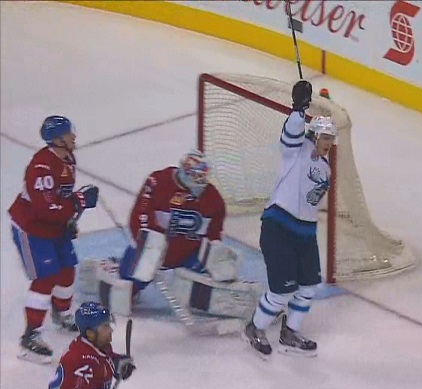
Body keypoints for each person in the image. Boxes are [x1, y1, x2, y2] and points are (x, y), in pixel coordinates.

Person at [80, 150, 260, 320]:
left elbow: (214, 234)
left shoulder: (213, 199)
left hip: (189, 253)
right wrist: (151, 246)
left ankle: (235, 297)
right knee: (124, 294)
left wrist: (216, 255)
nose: (201, 182)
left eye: (203, 177)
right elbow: (139, 217)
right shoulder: (158, 182)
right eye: (196, 176)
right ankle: (110, 269)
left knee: (208, 284)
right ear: (185, 173)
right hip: (153, 252)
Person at [243, 80, 337, 357]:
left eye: (331, 139)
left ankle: (290, 331)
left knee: (309, 286)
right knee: (281, 291)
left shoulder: (326, 167)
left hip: (305, 233)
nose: (329, 144)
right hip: (279, 226)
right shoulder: (295, 151)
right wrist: (298, 109)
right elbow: (290, 135)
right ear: (314, 136)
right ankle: (255, 328)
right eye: (325, 138)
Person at [8, 115, 99, 364]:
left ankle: (62, 314)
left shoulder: (67, 158)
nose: (74, 136)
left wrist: (70, 220)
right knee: (45, 278)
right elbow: (46, 210)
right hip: (32, 229)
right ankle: (30, 337)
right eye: (70, 133)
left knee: (68, 270)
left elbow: (60, 200)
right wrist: (79, 202)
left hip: (54, 226)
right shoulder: (41, 170)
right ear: (59, 139)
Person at [47, 301, 135, 389]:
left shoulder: (98, 345)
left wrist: (118, 363)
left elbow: (103, 360)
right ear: (90, 333)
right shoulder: (83, 362)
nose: (110, 330)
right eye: (105, 327)